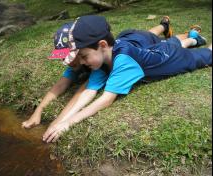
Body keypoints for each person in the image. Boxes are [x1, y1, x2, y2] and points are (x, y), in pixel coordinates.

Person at [23, 15, 212, 143]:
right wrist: (57, 122)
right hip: (154, 51)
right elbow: (88, 92)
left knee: (203, 57)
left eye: (83, 56)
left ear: (102, 45)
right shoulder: (100, 62)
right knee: (169, 43)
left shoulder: (123, 61)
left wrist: (68, 123)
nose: (80, 62)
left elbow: (105, 99)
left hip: (172, 60)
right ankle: (192, 38)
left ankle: (194, 41)